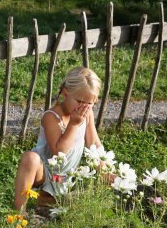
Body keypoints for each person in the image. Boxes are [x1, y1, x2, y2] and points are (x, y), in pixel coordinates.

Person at [14, 65, 103, 212]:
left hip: (69, 176)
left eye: (90, 103)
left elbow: (93, 142)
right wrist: (74, 124)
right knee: (30, 158)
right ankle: (18, 214)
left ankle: (47, 201)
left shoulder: (88, 114)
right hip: (46, 173)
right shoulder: (52, 117)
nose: (84, 107)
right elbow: (58, 152)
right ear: (65, 94)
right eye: (80, 101)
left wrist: (105, 167)